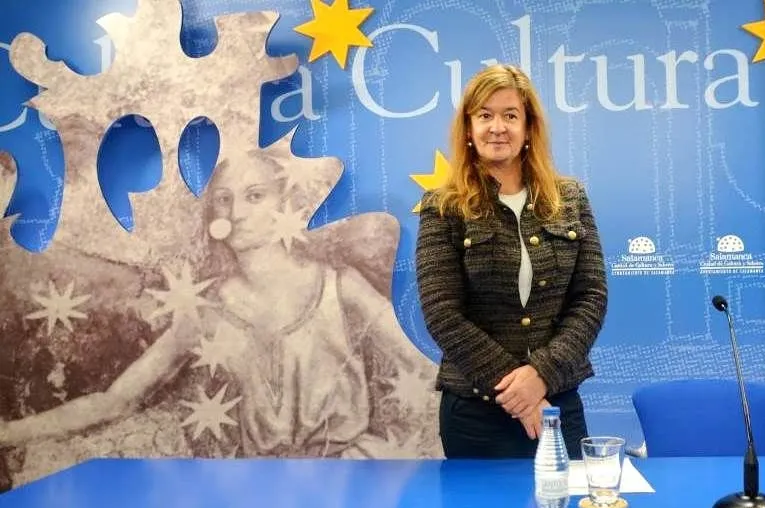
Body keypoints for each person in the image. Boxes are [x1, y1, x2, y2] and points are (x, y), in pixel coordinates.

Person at [0, 148, 442, 462]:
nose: (238, 212)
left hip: (354, 483)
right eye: (225, 199)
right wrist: (9, 433)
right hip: (266, 494)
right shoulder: (206, 310)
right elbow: (114, 401)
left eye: (255, 195)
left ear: (284, 204)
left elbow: (426, 363)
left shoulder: (338, 287)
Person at [414, 64, 608, 460]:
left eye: (510, 115)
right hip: (474, 414)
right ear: (468, 129)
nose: (497, 127)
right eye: (484, 115)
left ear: (528, 128)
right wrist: (516, 391)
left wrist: (541, 376)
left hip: (557, 403)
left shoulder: (569, 198)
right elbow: (442, 312)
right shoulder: (443, 207)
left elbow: (591, 297)